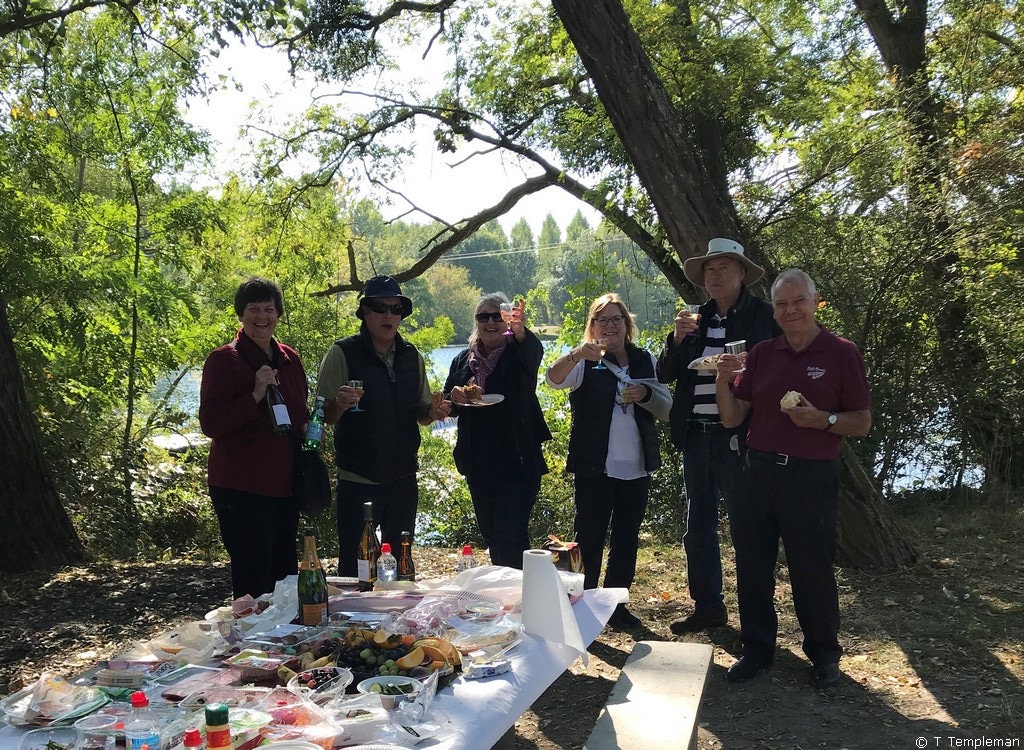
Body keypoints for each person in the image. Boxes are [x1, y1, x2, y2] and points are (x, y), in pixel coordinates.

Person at [715, 268, 871, 689]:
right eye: (782, 304)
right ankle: (757, 650)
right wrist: (723, 379)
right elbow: (732, 417)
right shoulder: (763, 353)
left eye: (798, 301)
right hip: (757, 472)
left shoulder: (841, 353)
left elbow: (861, 422)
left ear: (816, 302)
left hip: (809, 477)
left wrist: (824, 420)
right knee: (752, 567)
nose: (790, 310)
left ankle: (823, 655)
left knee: (811, 568)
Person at [656, 238, 780, 634]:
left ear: (742, 273)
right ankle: (708, 605)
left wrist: (743, 367)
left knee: (748, 529)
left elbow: (779, 370)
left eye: (724, 267)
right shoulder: (696, 319)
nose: (715, 276)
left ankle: (756, 624)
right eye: (709, 270)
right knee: (699, 527)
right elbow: (666, 374)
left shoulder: (763, 316)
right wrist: (675, 342)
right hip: (696, 436)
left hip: (740, 436)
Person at [545, 293, 671, 629]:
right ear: (592, 326)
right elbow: (552, 379)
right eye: (602, 320)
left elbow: (666, 404)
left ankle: (616, 604)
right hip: (593, 465)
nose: (610, 325)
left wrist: (644, 395)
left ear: (627, 326)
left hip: (637, 465)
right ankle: (580, 603)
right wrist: (575, 353)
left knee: (627, 536)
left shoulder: (644, 359)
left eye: (617, 319)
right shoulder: (583, 360)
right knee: (588, 536)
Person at [315, 275, 451, 575]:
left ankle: (401, 621)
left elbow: (422, 413)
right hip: (357, 479)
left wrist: (435, 411)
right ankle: (354, 621)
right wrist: (339, 403)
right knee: (356, 566)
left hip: (403, 478)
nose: (388, 315)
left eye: (396, 309)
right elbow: (322, 416)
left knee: (401, 567)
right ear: (365, 311)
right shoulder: (342, 353)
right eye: (380, 307)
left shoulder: (411, 356)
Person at [199, 277, 309, 600]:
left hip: (284, 488)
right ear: (241, 315)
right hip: (240, 491)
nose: (262, 317)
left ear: (278, 314)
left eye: (269, 309)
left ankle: (284, 646)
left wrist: (313, 428)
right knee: (252, 581)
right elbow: (210, 423)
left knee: (285, 579)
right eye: (254, 310)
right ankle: (248, 646)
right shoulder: (223, 361)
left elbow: (299, 415)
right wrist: (255, 395)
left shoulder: (289, 358)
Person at [444, 294, 552, 568]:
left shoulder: (519, 352)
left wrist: (520, 330)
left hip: (518, 462)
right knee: (492, 535)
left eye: (496, 316)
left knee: (511, 535)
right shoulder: (462, 360)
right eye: (483, 316)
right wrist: (454, 396)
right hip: (478, 463)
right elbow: (450, 404)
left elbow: (533, 353)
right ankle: (505, 598)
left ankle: (524, 600)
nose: (490, 322)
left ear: (505, 321)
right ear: (476, 322)